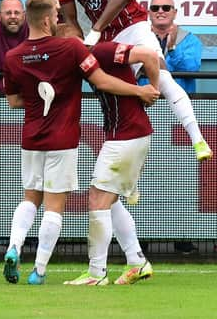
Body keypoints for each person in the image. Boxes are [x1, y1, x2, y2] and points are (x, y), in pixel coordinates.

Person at [0, 0, 159, 285]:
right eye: (60, 17)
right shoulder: (72, 50)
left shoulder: (13, 56)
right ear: (48, 20)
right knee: (86, 202)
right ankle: (42, 270)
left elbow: (13, 100)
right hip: (69, 137)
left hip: (36, 136)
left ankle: (16, 247)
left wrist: (148, 89)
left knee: (35, 197)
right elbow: (99, 79)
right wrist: (143, 90)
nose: (64, 24)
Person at [55, 0, 212, 162]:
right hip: (106, 39)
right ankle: (125, 179)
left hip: (133, 25)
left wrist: (94, 31)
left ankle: (197, 139)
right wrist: (79, 45)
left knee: (162, 77)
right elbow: (71, 21)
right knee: (115, 104)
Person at [64, 41, 159, 285]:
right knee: (111, 201)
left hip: (127, 135)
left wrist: (151, 90)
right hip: (126, 133)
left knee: (98, 199)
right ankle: (137, 262)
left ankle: (96, 273)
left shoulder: (102, 50)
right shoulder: (80, 58)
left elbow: (149, 54)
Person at [141, 0, 202, 93]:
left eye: (166, 8)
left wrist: (172, 49)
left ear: (175, 12)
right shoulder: (139, 39)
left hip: (179, 103)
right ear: (149, 13)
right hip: (145, 101)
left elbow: (191, 69)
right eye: (155, 8)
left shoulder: (190, 40)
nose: (160, 11)